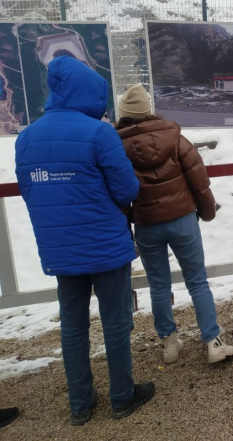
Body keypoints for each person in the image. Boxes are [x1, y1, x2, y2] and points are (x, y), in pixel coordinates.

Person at [15, 57, 155, 425]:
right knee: (115, 321)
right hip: (105, 245)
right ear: (89, 91)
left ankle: (80, 404)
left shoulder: (27, 136)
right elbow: (127, 188)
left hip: (61, 249)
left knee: (72, 326)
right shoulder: (99, 132)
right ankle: (122, 396)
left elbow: (30, 191)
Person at [116, 84, 233, 364]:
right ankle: (212, 341)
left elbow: (120, 195)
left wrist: (126, 230)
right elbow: (199, 179)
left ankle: (169, 344)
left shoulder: (117, 148)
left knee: (159, 285)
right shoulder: (176, 138)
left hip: (147, 223)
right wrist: (207, 212)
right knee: (197, 281)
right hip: (183, 219)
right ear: (149, 111)